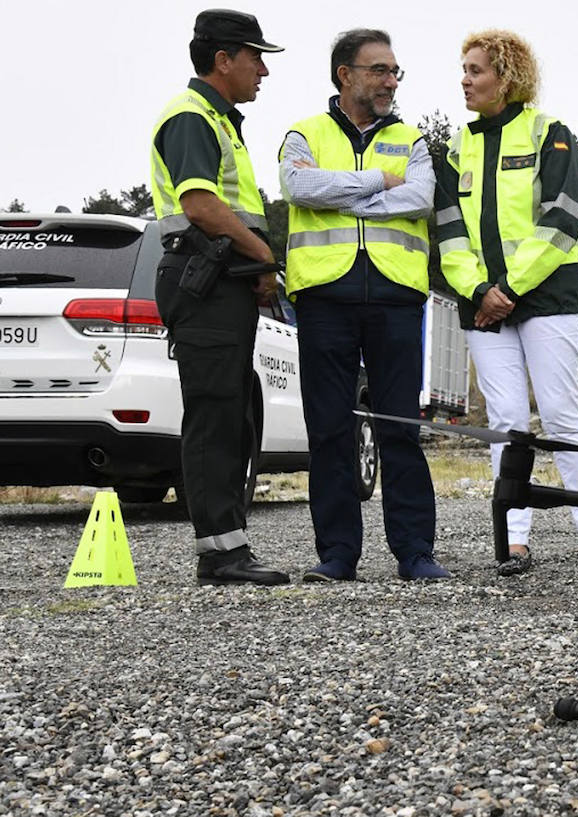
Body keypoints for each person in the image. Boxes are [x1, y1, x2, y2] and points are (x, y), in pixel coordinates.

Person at [278, 29, 450, 581]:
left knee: (399, 425)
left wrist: (344, 195)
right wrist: (378, 181)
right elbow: (296, 188)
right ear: (344, 74)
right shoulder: (302, 134)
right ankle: (337, 555)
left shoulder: (414, 140)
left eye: (395, 71)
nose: (390, 81)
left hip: (397, 297)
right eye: (379, 70)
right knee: (329, 428)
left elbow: (419, 197)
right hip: (324, 296)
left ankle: (415, 552)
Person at [435, 29, 578, 577]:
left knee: (559, 411)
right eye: (463, 69)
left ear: (506, 78)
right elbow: (448, 231)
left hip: (548, 294)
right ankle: (514, 540)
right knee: (507, 419)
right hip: (484, 304)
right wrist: (480, 291)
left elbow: (563, 217)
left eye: (476, 70)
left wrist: (507, 288)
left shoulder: (549, 133)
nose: (465, 78)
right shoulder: (455, 148)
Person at [149, 9, 288, 586]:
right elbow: (201, 205)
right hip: (202, 281)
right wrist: (260, 253)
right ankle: (220, 555)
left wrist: (251, 264)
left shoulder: (220, 120)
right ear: (223, 60)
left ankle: (228, 547)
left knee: (228, 413)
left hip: (219, 282)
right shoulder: (191, 117)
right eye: (255, 57)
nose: (263, 71)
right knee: (213, 416)